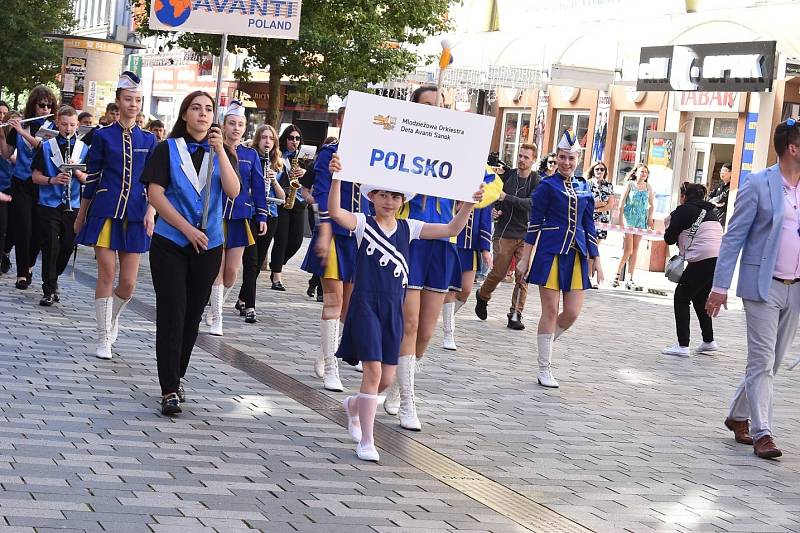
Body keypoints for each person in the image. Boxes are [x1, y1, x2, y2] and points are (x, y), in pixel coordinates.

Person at [328, 157, 482, 462]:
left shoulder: (409, 227)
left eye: (395, 196)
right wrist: (336, 178)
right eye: (383, 194)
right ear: (371, 196)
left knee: (386, 378)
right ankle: (367, 441)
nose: (389, 201)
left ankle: (354, 406)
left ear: (402, 201)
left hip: (392, 309)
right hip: (365, 306)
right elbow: (335, 212)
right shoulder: (362, 223)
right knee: (372, 371)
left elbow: (451, 227)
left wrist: (468, 204)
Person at [382, 85, 501, 431]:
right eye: (428, 105)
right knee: (410, 322)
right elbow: (378, 186)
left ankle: (400, 384)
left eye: (441, 105)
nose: (435, 110)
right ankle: (408, 400)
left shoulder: (459, 148)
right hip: (409, 239)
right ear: (415, 109)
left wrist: (475, 195)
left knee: (428, 329)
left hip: (442, 242)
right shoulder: (401, 147)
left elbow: (492, 184)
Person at [141, 90, 241, 416]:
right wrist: (185, 228)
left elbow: (233, 190)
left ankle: (178, 374)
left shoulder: (221, 152)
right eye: (195, 108)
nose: (202, 114)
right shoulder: (166, 150)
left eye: (208, 109)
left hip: (209, 246)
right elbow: (155, 194)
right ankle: (168, 388)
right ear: (184, 114)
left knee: (192, 317)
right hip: (171, 242)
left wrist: (221, 151)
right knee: (172, 313)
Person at [706, 119, 800, 459]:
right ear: (793, 147)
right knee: (761, 360)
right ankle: (764, 434)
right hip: (762, 286)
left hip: (796, 288)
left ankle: (737, 416)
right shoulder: (759, 183)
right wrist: (719, 286)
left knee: (771, 363)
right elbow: (733, 238)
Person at [74, 72, 158, 360]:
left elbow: (156, 184)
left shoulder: (149, 139)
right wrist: (81, 215)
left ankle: (112, 318)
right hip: (105, 211)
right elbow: (93, 177)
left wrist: (151, 210)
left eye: (137, 100)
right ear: (118, 102)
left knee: (129, 284)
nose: (132, 104)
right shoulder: (102, 136)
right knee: (107, 273)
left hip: (136, 214)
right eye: (127, 99)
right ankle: (102, 337)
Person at [515, 129, 602, 389]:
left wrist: (596, 257)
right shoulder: (546, 185)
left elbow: (589, 224)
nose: (566, 163)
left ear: (578, 160)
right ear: (556, 158)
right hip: (550, 253)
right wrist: (525, 258)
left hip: (576, 254)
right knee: (550, 311)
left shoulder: (584, 187)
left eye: (571, 159)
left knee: (573, 312)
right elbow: (534, 223)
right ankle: (545, 366)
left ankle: (545, 345)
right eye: (562, 158)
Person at [301, 102, 368, 391]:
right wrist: (325, 227)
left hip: (361, 235)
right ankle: (331, 366)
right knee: (333, 300)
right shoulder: (329, 153)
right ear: (340, 120)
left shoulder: (374, 155)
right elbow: (321, 191)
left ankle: (325, 351)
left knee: (349, 306)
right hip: (334, 233)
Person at [205, 100, 268, 335]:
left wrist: (261, 214)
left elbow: (259, 187)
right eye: (232, 123)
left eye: (240, 124)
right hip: (217, 215)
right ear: (224, 125)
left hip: (240, 217)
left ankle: (216, 305)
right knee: (218, 269)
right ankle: (218, 317)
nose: (236, 128)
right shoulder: (212, 149)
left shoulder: (250, 155)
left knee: (232, 272)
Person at [474, 143, 539, 330]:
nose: (521, 160)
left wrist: (506, 198)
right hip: (504, 232)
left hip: (525, 235)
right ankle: (483, 296)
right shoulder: (507, 175)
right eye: (520, 155)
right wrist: (495, 209)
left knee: (522, 275)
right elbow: (493, 194)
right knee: (498, 273)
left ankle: (516, 314)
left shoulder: (537, 181)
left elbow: (531, 204)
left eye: (526, 157)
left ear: (533, 160)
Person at [30, 106, 88, 306]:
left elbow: (89, 179)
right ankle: (48, 288)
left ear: (77, 125)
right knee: (50, 246)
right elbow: (35, 177)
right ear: (57, 124)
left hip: (72, 203)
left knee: (67, 246)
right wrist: (53, 180)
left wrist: (77, 173)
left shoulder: (83, 149)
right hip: (49, 203)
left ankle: (53, 278)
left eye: (72, 125)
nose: (68, 128)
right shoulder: (47, 147)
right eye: (64, 124)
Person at [0, 86, 57, 290]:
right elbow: (8, 155)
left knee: (38, 231)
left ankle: (30, 265)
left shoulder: (53, 127)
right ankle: (22, 273)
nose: (45, 109)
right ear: (33, 105)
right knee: (23, 227)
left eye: (49, 105)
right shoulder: (23, 124)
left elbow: (41, 146)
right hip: (21, 183)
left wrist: (21, 131)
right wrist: (2, 134)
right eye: (41, 105)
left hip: (42, 185)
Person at [662, 182, 722, 356]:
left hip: (702, 260)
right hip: (718, 259)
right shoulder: (712, 212)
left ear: (684, 196)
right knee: (700, 297)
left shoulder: (683, 210)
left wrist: (670, 222)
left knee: (681, 297)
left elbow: (669, 238)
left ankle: (682, 345)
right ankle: (708, 341)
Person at [235, 124, 286, 323]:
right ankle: (250, 306)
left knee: (256, 263)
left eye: (271, 138)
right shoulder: (249, 158)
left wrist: (273, 181)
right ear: (258, 139)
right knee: (251, 260)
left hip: (270, 215)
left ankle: (241, 298)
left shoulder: (278, 164)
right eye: (264, 137)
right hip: (251, 214)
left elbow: (282, 197)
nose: (267, 142)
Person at [442, 205, 492, 350]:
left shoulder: (484, 189)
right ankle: (448, 332)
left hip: (470, 246)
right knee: (451, 289)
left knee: (465, 290)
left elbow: (485, 220)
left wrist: (485, 248)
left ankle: (447, 316)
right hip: (450, 241)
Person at [269, 125, 306, 290]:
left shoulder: (304, 158)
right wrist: (284, 171)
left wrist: (304, 172)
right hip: (283, 202)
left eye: (297, 138)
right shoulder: (279, 156)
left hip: (298, 202)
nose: (294, 141)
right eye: (291, 138)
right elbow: (274, 176)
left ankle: (276, 263)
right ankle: (277, 276)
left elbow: (312, 179)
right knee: (281, 240)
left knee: (296, 242)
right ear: (285, 139)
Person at [612, 163, 654, 290]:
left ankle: (630, 278)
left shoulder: (648, 187)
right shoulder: (630, 185)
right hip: (629, 218)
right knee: (628, 249)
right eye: (641, 172)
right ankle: (616, 275)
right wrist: (620, 221)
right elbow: (622, 203)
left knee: (635, 250)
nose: (643, 174)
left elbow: (651, 204)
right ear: (636, 173)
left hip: (641, 220)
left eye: (646, 172)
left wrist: (650, 219)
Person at [588, 161, 614, 288]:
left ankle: (591, 277)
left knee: (595, 249)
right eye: (597, 169)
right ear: (593, 170)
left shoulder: (608, 185)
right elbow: (588, 203)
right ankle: (587, 277)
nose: (599, 171)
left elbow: (610, 204)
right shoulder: (587, 183)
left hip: (602, 221)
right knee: (590, 249)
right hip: (588, 220)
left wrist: (598, 207)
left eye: (602, 169)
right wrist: (600, 204)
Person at [0, 102, 13, 276]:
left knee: (8, 227)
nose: (1, 116)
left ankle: (4, 253)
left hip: (10, 187)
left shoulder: (11, 138)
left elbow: (9, 156)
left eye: (4, 113)